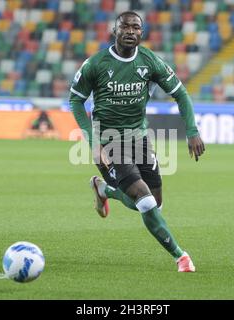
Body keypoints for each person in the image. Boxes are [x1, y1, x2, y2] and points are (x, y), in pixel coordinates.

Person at [69, 11, 205, 272]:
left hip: (140, 139)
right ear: (114, 30)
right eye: (125, 27)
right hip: (109, 141)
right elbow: (75, 100)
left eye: (136, 27)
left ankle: (104, 190)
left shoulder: (150, 61)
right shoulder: (96, 64)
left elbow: (181, 93)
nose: (130, 31)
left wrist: (192, 131)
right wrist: (93, 142)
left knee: (155, 203)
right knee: (144, 201)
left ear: (141, 33)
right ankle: (181, 256)